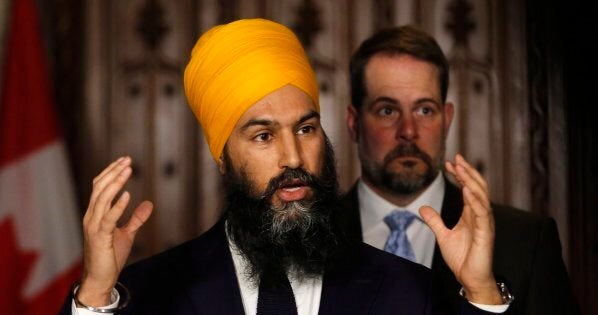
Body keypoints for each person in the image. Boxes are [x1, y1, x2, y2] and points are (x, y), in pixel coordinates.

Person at [62, 19, 510, 315]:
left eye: (306, 129)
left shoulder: (406, 289)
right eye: (263, 136)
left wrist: (482, 294)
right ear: (222, 156)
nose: (293, 159)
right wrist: (97, 295)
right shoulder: (150, 291)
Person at [338, 25, 579, 314]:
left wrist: (484, 294)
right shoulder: (310, 237)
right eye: (387, 110)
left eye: (424, 110)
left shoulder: (525, 241)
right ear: (354, 123)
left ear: (447, 118)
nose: (408, 131)